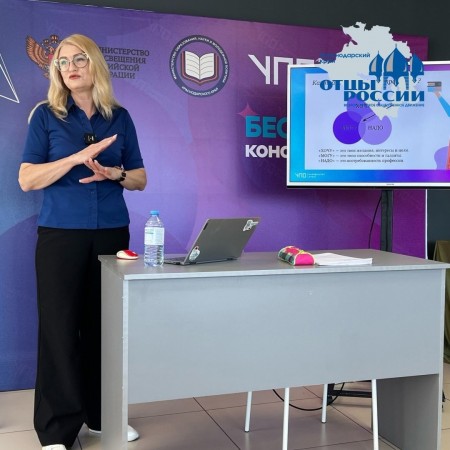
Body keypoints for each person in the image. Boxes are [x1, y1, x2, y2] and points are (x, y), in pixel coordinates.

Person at [18, 34, 147, 450]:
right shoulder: (46, 116)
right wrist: (74, 159)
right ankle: (56, 431)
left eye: (78, 59)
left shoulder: (119, 117)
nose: (70, 68)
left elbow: (140, 178)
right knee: (59, 329)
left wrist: (114, 174)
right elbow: (26, 179)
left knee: (104, 329)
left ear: (95, 65)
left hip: (111, 233)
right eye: (62, 62)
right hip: (62, 235)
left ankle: (101, 417)